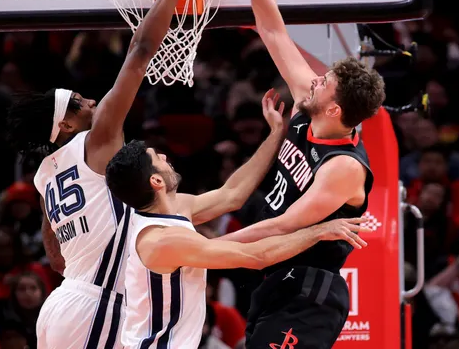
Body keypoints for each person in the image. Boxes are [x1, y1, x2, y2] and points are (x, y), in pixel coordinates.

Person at [4, 0, 218, 349]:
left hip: (63, 304)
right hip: (97, 306)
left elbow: (56, 258)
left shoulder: (45, 175)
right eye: (79, 103)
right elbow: (139, 52)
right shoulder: (97, 139)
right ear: (65, 126)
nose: (92, 102)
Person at [204, 0, 387, 349]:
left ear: (335, 109)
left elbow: (283, 226)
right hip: (275, 276)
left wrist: (203, 252)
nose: (312, 80)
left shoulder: (343, 168)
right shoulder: (312, 102)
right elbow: (271, 28)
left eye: (323, 83)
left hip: (310, 290)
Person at [105, 93, 371, 349]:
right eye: (158, 159)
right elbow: (256, 256)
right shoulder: (161, 241)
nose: (165, 157)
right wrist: (318, 231)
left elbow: (232, 194)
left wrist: (277, 134)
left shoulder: (173, 207)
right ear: (156, 182)